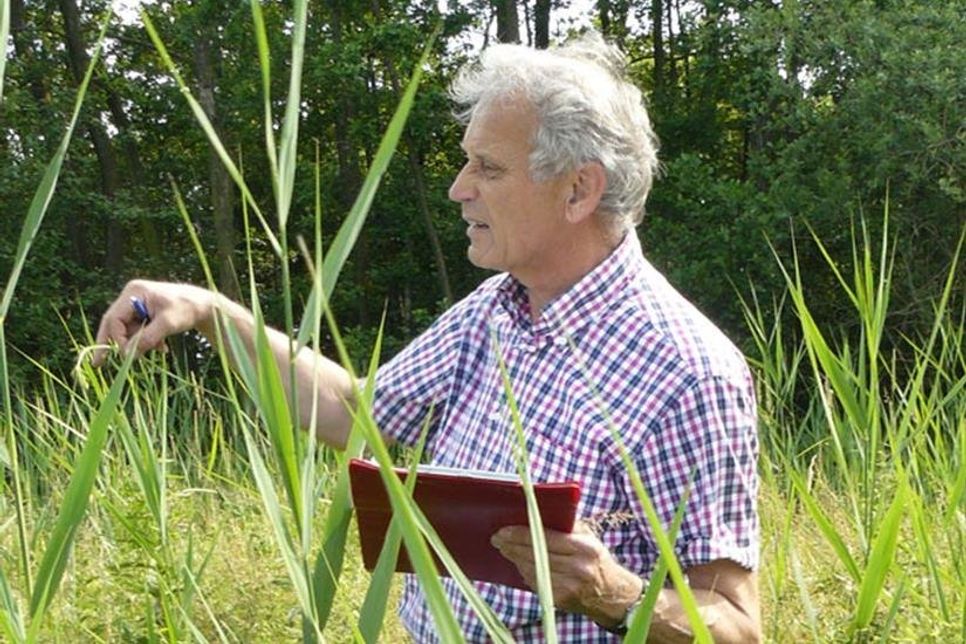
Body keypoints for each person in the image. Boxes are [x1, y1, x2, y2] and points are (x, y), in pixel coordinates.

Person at [94, 32, 760, 643]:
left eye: (487, 168)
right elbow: (352, 412)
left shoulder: (689, 372)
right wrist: (207, 309)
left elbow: (733, 622)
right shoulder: (495, 310)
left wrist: (610, 594)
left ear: (579, 189)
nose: (457, 189)